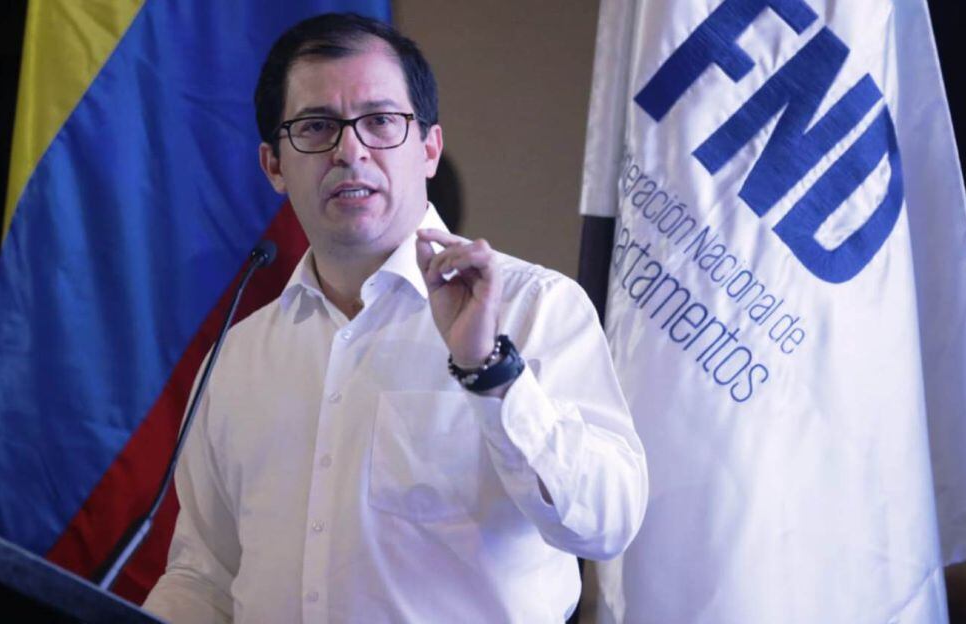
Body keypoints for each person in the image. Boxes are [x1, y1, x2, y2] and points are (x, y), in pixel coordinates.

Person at [143, 12, 648, 623]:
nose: (349, 150)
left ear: (429, 149)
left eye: (380, 121)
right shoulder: (238, 357)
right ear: (274, 166)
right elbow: (205, 579)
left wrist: (490, 372)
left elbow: (607, 523)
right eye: (316, 126)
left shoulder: (536, 307)